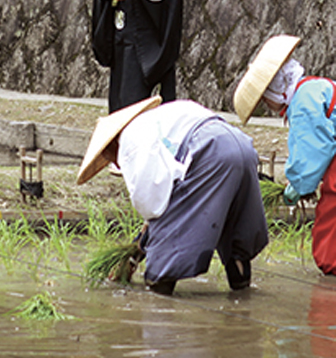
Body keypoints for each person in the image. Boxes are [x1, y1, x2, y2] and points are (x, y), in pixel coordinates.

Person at [77, 96, 268, 295]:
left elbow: (154, 207)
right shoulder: (160, 118)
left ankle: (160, 297)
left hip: (210, 153)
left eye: (109, 157)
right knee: (235, 230)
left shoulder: (131, 139)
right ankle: (241, 293)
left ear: (112, 145)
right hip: (242, 147)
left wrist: (140, 251)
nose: (115, 163)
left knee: (163, 253)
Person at [234, 34, 336, 276]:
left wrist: (297, 185)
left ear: (276, 89)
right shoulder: (313, 87)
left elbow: (314, 150)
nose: (268, 105)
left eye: (266, 98)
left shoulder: (302, 101)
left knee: (331, 221)